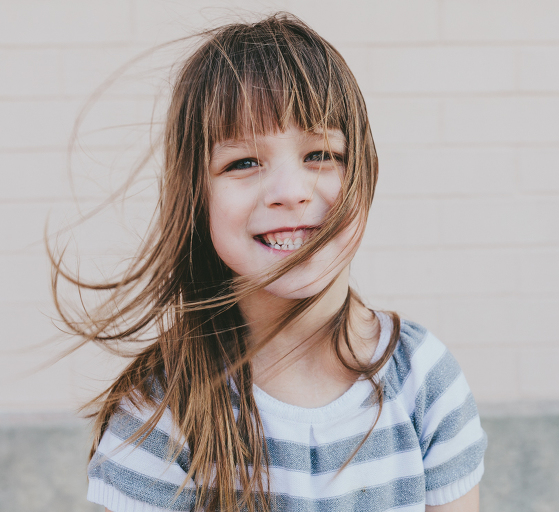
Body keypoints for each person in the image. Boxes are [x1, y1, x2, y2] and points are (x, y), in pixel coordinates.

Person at [52, 12, 487, 512]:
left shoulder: (424, 379)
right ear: (198, 200)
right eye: (243, 162)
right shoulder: (160, 411)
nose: (289, 193)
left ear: (364, 177)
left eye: (320, 154)